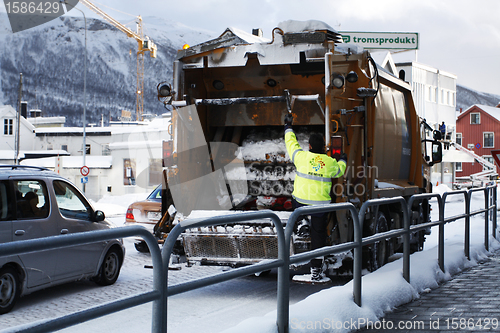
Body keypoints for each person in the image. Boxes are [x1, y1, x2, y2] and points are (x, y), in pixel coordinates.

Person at [284, 113, 347, 282]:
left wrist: (288, 127)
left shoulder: (301, 157)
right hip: (320, 206)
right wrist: (343, 160)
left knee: (296, 201)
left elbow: (291, 143)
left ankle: (302, 222)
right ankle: (316, 271)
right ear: (324, 148)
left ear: (310, 146)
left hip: (301, 202)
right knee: (318, 236)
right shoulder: (329, 162)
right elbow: (340, 170)